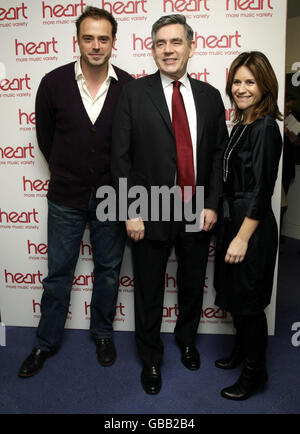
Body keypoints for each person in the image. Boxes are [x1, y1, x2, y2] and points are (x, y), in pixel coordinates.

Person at [111, 14, 228, 394]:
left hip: (197, 209)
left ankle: (188, 341)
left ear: (191, 47)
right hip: (149, 209)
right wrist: (129, 209)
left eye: (175, 42)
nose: (168, 50)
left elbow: (216, 156)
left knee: (193, 283)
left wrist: (212, 203)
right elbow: (121, 156)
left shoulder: (210, 96)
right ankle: (151, 358)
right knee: (148, 289)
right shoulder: (133, 93)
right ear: (152, 48)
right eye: (160, 43)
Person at [18, 6, 133, 378]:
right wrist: (69, 172)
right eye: (88, 38)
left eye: (103, 38)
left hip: (112, 199)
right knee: (58, 274)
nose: (96, 45)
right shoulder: (52, 83)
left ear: (114, 42)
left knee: (109, 272)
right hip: (65, 196)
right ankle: (44, 342)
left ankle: (102, 334)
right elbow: (45, 139)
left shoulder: (130, 86)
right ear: (77, 40)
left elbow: (132, 145)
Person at [214, 51, 282, 400]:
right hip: (233, 221)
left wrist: (242, 238)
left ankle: (256, 373)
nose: (241, 88)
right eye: (237, 81)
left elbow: (261, 190)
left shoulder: (266, 127)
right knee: (237, 297)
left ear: (264, 85)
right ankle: (242, 353)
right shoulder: (243, 123)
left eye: (250, 82)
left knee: (251, 303)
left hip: (251, 229)